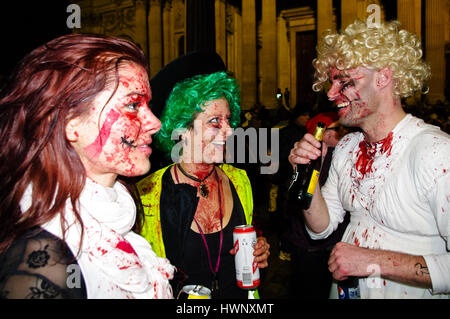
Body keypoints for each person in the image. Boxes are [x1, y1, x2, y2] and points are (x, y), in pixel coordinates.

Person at [0, 34, 174, 299]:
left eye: (147, 105)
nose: (155, 123)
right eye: (132, 105)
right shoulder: (42, 266)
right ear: (71, 123)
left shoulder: (119, 216)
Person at [289, 20, 450, 298]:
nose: (330, 93)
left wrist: (372, 261)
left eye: (343, 81)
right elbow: (320, 229)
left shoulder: (435, 153)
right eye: (331, 81)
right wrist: (305, 174)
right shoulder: (348, 147)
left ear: (382, 77)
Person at [137, 52, 270, 299]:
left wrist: (259, 248)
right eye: (215, 122)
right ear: (183, 129)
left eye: (229, 120)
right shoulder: (147, 195)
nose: (229, 131)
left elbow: (246, 235)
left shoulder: (240, 180)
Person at [284, 112, 350, 299]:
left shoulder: (342, 157)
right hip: (311, 247)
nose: (343, 133)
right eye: (338, 129)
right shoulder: (314, 159)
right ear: (326, 134)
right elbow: (295, 201)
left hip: (323, 245)